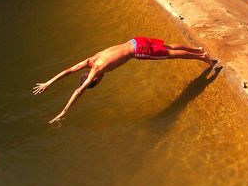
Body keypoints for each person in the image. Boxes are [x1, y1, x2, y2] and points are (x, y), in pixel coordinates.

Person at [33, 37, 213, 123]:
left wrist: (64, 112)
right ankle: (196, 49)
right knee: (168, 46)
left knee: (170, 55)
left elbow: (78, 91)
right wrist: (48, 82)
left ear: (95, 79)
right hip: (135, 40)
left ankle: (202, 57)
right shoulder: (91, 60)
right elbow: (68, 70)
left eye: (96, 81)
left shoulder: (97, 69)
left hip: (138, 50)